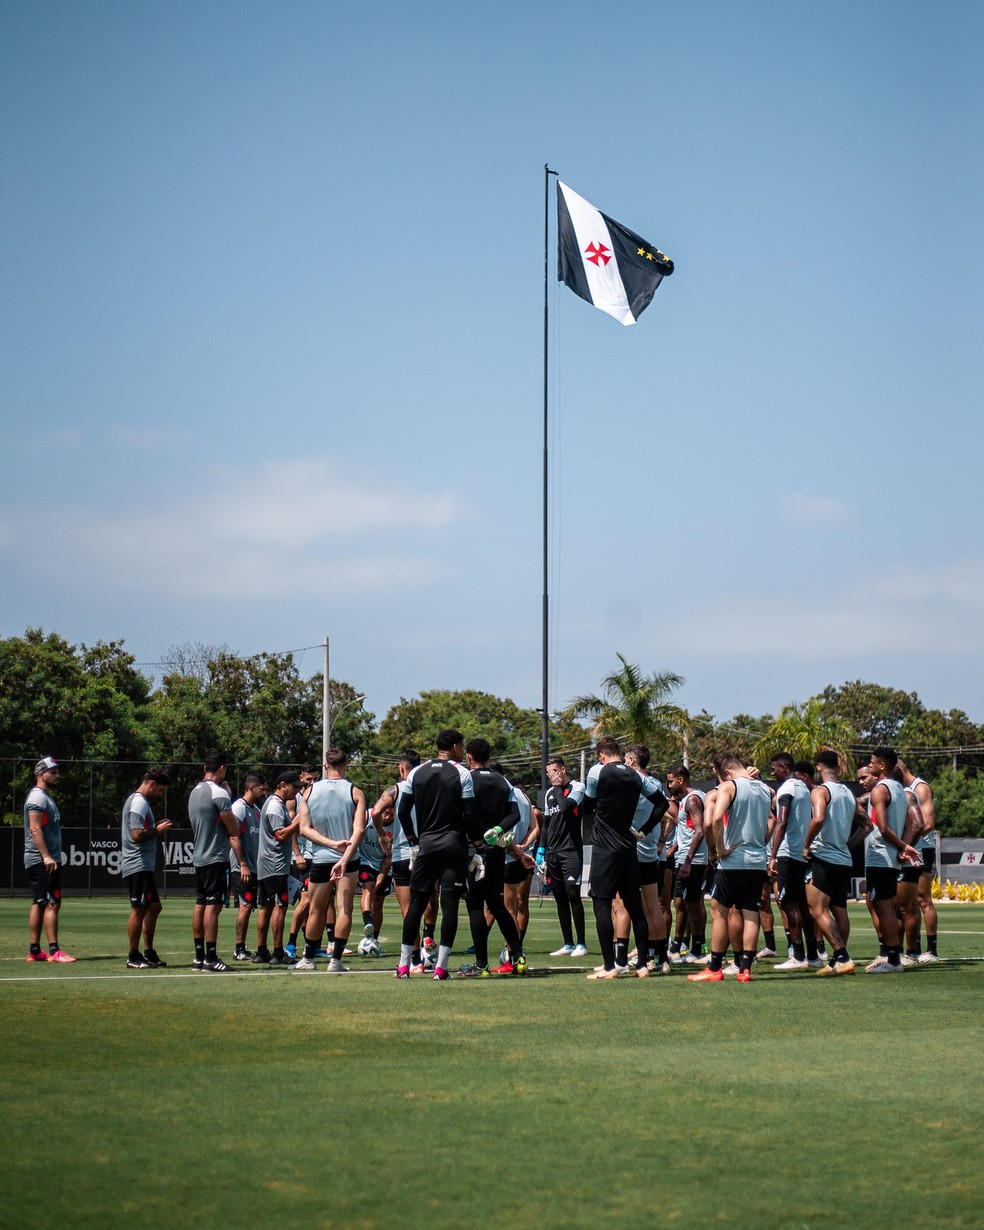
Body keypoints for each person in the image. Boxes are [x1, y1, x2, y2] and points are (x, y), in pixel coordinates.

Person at [395, 728, 482, 981]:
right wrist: (476, 844)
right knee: (449, 905)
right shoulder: (462, 772)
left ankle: (403, 966)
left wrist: (413, 840)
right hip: (454, 846)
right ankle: (441, 968)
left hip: (426, 846)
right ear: (455, 747)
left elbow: (402, 811)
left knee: (416, 904)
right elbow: (470, 813)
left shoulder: (417, 772)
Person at [582, 737, 667, 981]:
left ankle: (610, 966)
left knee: (602, 904)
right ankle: (642, 964)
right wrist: (644, 829)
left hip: (605, 849)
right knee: (635, 907)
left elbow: (587, 806)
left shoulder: (598, 771)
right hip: (629, 848)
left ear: (601, 755)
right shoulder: (637, 776)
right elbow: (661, 804)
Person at [688, 754, 772, 984]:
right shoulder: (765, 789)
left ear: (726, 773)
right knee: (750, 912)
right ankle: (745, 969)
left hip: (734, 861)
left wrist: (719, 849)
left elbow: (714, 820)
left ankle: (714, 967)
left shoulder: (729, 786)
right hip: (757, 860)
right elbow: (770, 822)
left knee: (720, 912)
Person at [459, 738, 531, 978]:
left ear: (469, 756)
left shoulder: (466, 779)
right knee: (497, 905)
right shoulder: (502, 781)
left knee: (475, 905)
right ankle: (518, 957)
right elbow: (515, 814)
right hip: (497, 849)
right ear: (489, 757)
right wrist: (498, 831)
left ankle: (481, 964)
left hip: (474, 849)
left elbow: (465, 813)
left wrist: (478, 837)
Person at [293, 748, 367, 973]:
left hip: (321, 859)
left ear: (325, 766)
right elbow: (359, 829)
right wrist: (343, 857)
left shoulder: (310, 791)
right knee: (344, 909)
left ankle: (308, 959)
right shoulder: (356, 792)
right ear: (346, 766)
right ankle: (335, 961)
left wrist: (330, 844)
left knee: (315, 910)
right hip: (348, 860)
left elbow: (304, 830)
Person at [803, 751, 866, 976]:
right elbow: (867, 825)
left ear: (819, 768)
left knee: (816, 908)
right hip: (843, 860)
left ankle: (842, 956)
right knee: (839, 909)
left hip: (824, 857)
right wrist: (847, 845)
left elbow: (818, 818)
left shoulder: (821, 790)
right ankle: (836, 961)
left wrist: (806, 845)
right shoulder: (848, 794)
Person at [862, 747, 922, 973]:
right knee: (885, 904)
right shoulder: (900, 789)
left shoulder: (880, 790)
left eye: (872, 762)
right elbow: (910, 825)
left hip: (879, 855)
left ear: (882, 766)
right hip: (890, 857)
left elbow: (884, 828)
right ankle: (891, 955)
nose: (870, 766)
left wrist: (903, 846)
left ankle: (893, 959)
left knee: (882, 906)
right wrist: (903, 847)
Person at [188, 750, 249, 972]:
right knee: (213, 907)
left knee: (200, 904)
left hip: (199, 856)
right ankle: (211, 958)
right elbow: (233, 830)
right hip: (215, 856)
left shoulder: (194, 791)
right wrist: (242, 860)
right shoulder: (219, 794)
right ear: (222, 768)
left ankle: (198, 956)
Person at [769, 753, 822, 970]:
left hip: (788, 854)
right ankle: (813, 954)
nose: (771, 773)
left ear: (783, 767)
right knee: (802, 905)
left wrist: (772, 855)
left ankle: (798, 956)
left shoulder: (787, 788)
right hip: (801, 854)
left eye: (774, 769)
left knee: (788, 903)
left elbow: (781, 821)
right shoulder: (804, 787)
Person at [24, 756, 75, 963]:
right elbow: (34, 828)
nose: (57, 775)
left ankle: (35, 951)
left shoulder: (45, 797)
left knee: (40, 902)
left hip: (42, 858)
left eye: (57, 771)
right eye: (52, 772)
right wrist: (46, 856)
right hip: (42, 859)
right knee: (52, 903)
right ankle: (54, 952)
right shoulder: (38, 798)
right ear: (40, 774)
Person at [120, 769, 173, 969]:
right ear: (150, 784)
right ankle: (133, 956)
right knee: (139, 909)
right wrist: (156, 830)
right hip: (137, 864)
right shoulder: (139, 802)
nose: (160, 794)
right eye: (159, 790)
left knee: (154, 907)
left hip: (143, 866)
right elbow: (136, 835)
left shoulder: (142, 803)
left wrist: (155, 826)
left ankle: (148, 952)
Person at [538, 756, 589, 958]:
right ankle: (567, 943)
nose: (551, 775)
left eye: (554, 771)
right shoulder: (549, 793)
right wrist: (541, 850)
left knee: (573, 896)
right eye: (549, 772)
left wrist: (559, 787)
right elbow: (547, 824)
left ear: (563, 770)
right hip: (553, 852)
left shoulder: (577, 787)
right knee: (559, 898)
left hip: (571, 851)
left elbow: (567, 807)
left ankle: (581, 943)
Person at [253, 770, 302, 965]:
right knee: (279, 907)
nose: (297, 790)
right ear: (282, 785)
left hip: (268, 864)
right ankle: (278, 952)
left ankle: (262, 951)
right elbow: (280, 835)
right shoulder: (275, 806)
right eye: (294, 786)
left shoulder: (276, 804)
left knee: (266, 906)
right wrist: (298, 821)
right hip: (275, 865)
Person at [897, 758, 940, 963]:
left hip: (923, 848)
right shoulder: (903, 789)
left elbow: (928, 823)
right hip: (911, 847)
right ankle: (914, 948)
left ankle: (931, 951)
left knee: (923, 899)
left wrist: (907, 841)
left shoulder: (919, 788)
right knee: (908, 902)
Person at [665, 763, 707, 963]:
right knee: (682, 902)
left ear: (681, 780)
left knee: (691, 903)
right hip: (685, 857)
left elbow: (699, 831)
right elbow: (686, 832)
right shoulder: (685, 800)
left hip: (693, 860)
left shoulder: (693, 800)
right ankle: (679, 945)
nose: (669, 785)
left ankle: (696, 948)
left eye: (671, 781)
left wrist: (688, 861)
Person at [230, 773, 268, 961]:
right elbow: (233, 836)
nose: (264, 792)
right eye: (262, 789)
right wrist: (242, 864)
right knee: (245, 907)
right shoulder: (239, 808)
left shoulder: (256, 810)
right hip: (242, 868)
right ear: (251, 788)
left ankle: (242, 947)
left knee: (249, 906)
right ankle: (238, 948)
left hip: (254, 868)